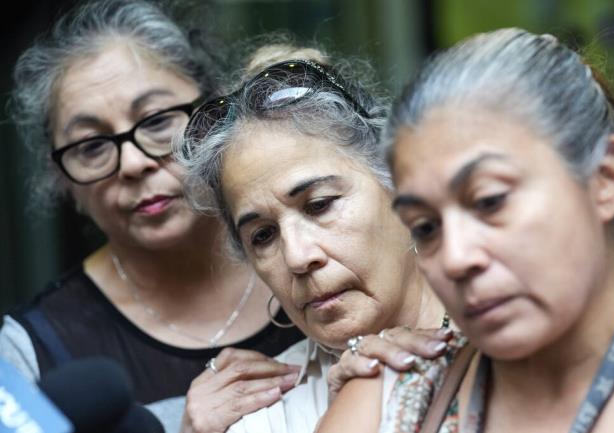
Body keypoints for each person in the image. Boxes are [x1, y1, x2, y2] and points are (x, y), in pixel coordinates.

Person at [319, 28, 614, 433]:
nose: (457, 258)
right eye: (425, 227)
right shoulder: (386, 404)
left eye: (490, 201)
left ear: (606, 180)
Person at [0, 1, 306, 432]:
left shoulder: (316, 256)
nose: (132, 163)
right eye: (91, 146)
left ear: (216, 116)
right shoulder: (29, 354)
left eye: (158, 120)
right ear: (62, 180)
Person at [175, 43, 454, 433]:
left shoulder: (518, 329)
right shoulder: (265, 419)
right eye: (263, 235)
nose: (297, 257)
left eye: (319, 205)